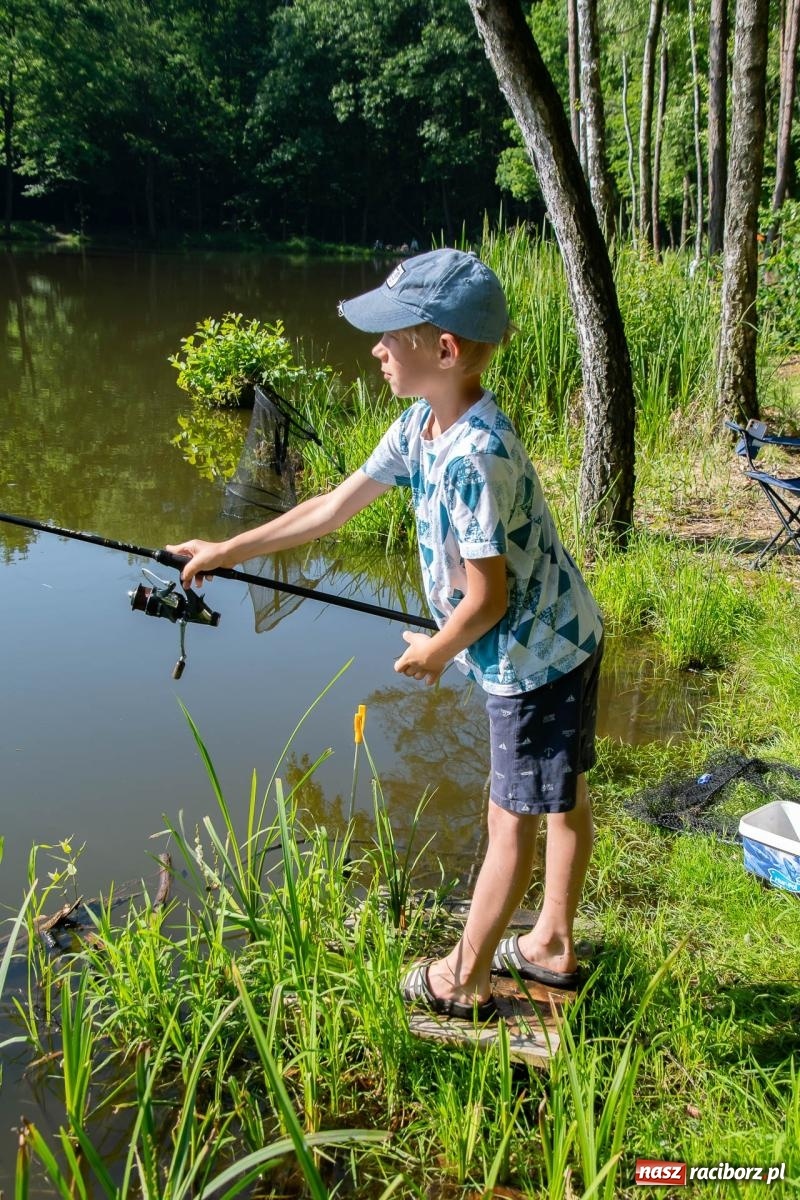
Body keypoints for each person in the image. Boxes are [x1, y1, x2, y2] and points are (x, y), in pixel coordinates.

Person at [167, 248, 604, 1022]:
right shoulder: (422, 425)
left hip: (535, 659)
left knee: (513, 818)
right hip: (558, 636)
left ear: (443, 349)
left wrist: (438, 649)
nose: (374, 348)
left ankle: (465, 981)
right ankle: (552, 945)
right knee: (559, 795)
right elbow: (334, 507)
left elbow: (489, 599)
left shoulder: (474, 456)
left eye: (389, 333)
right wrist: (224, 551)